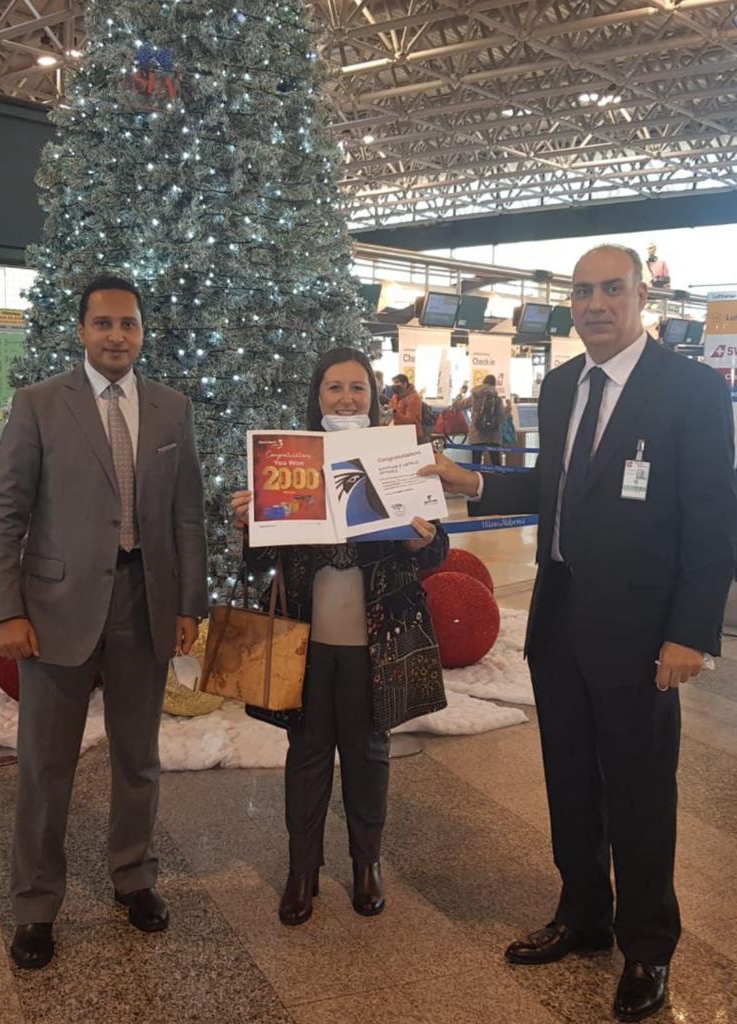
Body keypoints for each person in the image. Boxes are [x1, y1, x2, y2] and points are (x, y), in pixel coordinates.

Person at [421, 245, 737, 1023]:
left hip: (641, 632)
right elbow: (554, 487)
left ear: (641, 297)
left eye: (611, 289)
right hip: (560, 618)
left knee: (640, 791)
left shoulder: (691, 391)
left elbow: (712, 521)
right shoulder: (564, 386)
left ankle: (648, 945)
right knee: (569, 781)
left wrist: (690, 632)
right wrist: (469, 480)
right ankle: (585, 913)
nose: (595, 304)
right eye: (583, 291)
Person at [0, 274, 208, 970]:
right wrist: (5, 609)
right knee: (46, 765)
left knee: (138, 757)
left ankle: (133, 875)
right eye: (103, 323)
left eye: (128, 324)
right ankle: (35, 904)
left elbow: (188, 515)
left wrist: (189, 604)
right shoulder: (39, 404)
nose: (116, 336)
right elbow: (4, 513)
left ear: (142, 332)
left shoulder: (171, 409)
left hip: (145, 603)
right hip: (56, 612)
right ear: (81, 330)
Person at [230, 347, 447, 927]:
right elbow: (260, 566)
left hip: (376, 639)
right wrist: (251, 524)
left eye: (357, 388)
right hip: (305, 641)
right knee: (306, 755)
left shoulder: (398, 456)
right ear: (317, 396)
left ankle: (365, 863)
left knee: (369, 753)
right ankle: (301, 871)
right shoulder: (287, 460)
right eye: (334, 388)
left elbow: (437, 550)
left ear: (374, 397)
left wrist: (421, 541)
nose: (346, 399)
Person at [453, 373, 503, 466]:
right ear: (494, 384)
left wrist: (460, 394)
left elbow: (458, 405)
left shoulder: (475, 396)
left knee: (476, 463)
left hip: (477, 433)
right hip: (493, 435)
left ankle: (477, 475)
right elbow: (501, 416)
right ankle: (498, 475)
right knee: (496, 463)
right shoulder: (497, 398)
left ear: (483, 383)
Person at [390, 372, 424, 440]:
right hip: (398, 433)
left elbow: (409, 420)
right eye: (393, 383)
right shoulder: (395, 396)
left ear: (404, 384)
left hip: (412, 435)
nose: (394, 385)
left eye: (397, 382)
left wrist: (394, 412)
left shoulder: (414, 398)